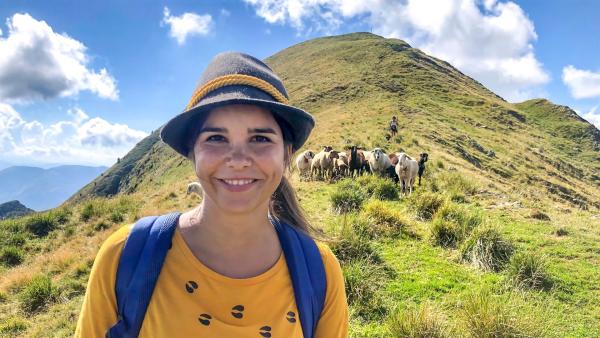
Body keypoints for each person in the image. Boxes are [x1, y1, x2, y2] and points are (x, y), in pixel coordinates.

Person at [75, 52, 349, 337]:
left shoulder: (321, 272)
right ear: (193, 154)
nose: (238, 159)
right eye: (216, 138)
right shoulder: (123, 256)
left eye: (260, 139)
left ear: (286, 155)